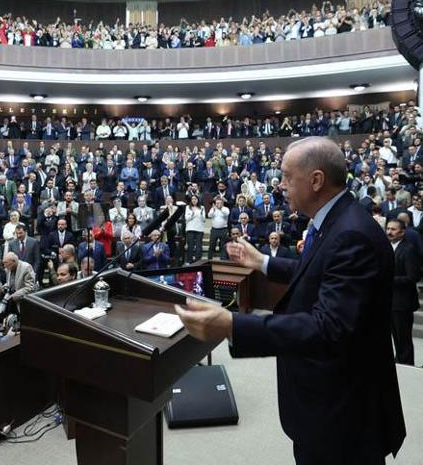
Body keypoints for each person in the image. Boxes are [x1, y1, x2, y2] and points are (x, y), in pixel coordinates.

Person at [175, 137, 405, 465]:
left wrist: (232, 324)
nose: (280, 185)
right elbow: (317, 271)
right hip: (327, 401)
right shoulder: (335, 221)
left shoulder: (351, 234)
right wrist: (262, 263)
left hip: (343, 412)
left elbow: (329, 327)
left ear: (316, 180)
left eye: (286, 176)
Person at [386, 218, 420, 366]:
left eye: (393, 229)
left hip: (403, 301)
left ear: (402, 232)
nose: (389, 232)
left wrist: (389, 280)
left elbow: (412, 277)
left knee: (403, 336)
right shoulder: (387, 246)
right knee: (395, 336)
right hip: (390, 300)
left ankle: (406, 363)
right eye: (388, 229)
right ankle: (399, 360)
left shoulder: (409, 249)